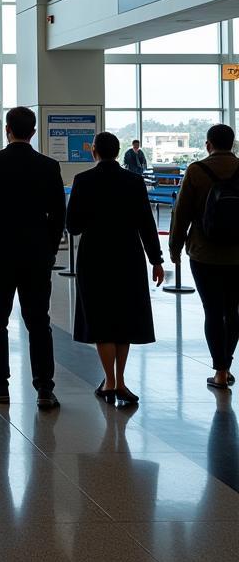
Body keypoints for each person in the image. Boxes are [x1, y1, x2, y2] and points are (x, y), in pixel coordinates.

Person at [0, 106, 66, 409]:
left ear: (7, 129)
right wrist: (48, 248)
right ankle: (45, 388)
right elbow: (58, 213)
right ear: (33, 132)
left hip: (0, 252)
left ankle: (0, 384)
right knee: (39, 321)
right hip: (36, 253)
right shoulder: (48, 166)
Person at [67, 132, 164, 406]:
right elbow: (147, 222)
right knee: (125, 316)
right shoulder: (133, 181)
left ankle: (108, 381)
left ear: (94, 151)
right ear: (119, 152)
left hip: (95, 255)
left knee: (101, 317)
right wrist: (156, 259)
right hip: (128, 254)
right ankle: (120, 381)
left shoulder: (83, 181)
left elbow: (73, 225)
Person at [169, 123, 239, 390]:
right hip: (238, 255)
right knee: (232, 311)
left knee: (213, 310)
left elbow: (181, 213)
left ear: (208, 144)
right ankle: (228, 364)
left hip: (204, 253)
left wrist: (174, 249)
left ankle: (219, 370)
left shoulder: (197, 171)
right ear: (232, 144)